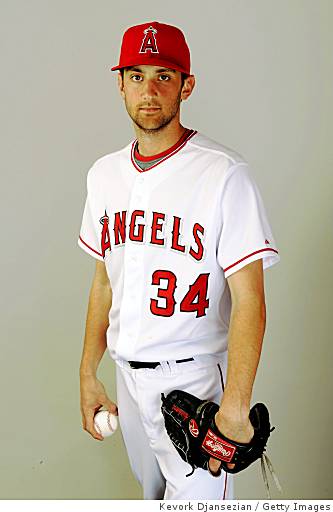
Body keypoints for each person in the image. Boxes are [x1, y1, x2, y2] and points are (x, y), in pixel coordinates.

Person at [78, 21, 280, 500]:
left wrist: (235, 405)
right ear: (120, 83)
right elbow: (104, 281)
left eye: (164, 76)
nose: (149, 90)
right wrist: (89, 372)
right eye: (136, 75)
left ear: (186, 85)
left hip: (192, 383)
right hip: (127, 378)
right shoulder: (103, 175)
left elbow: (249, 296)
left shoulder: (225, 174)